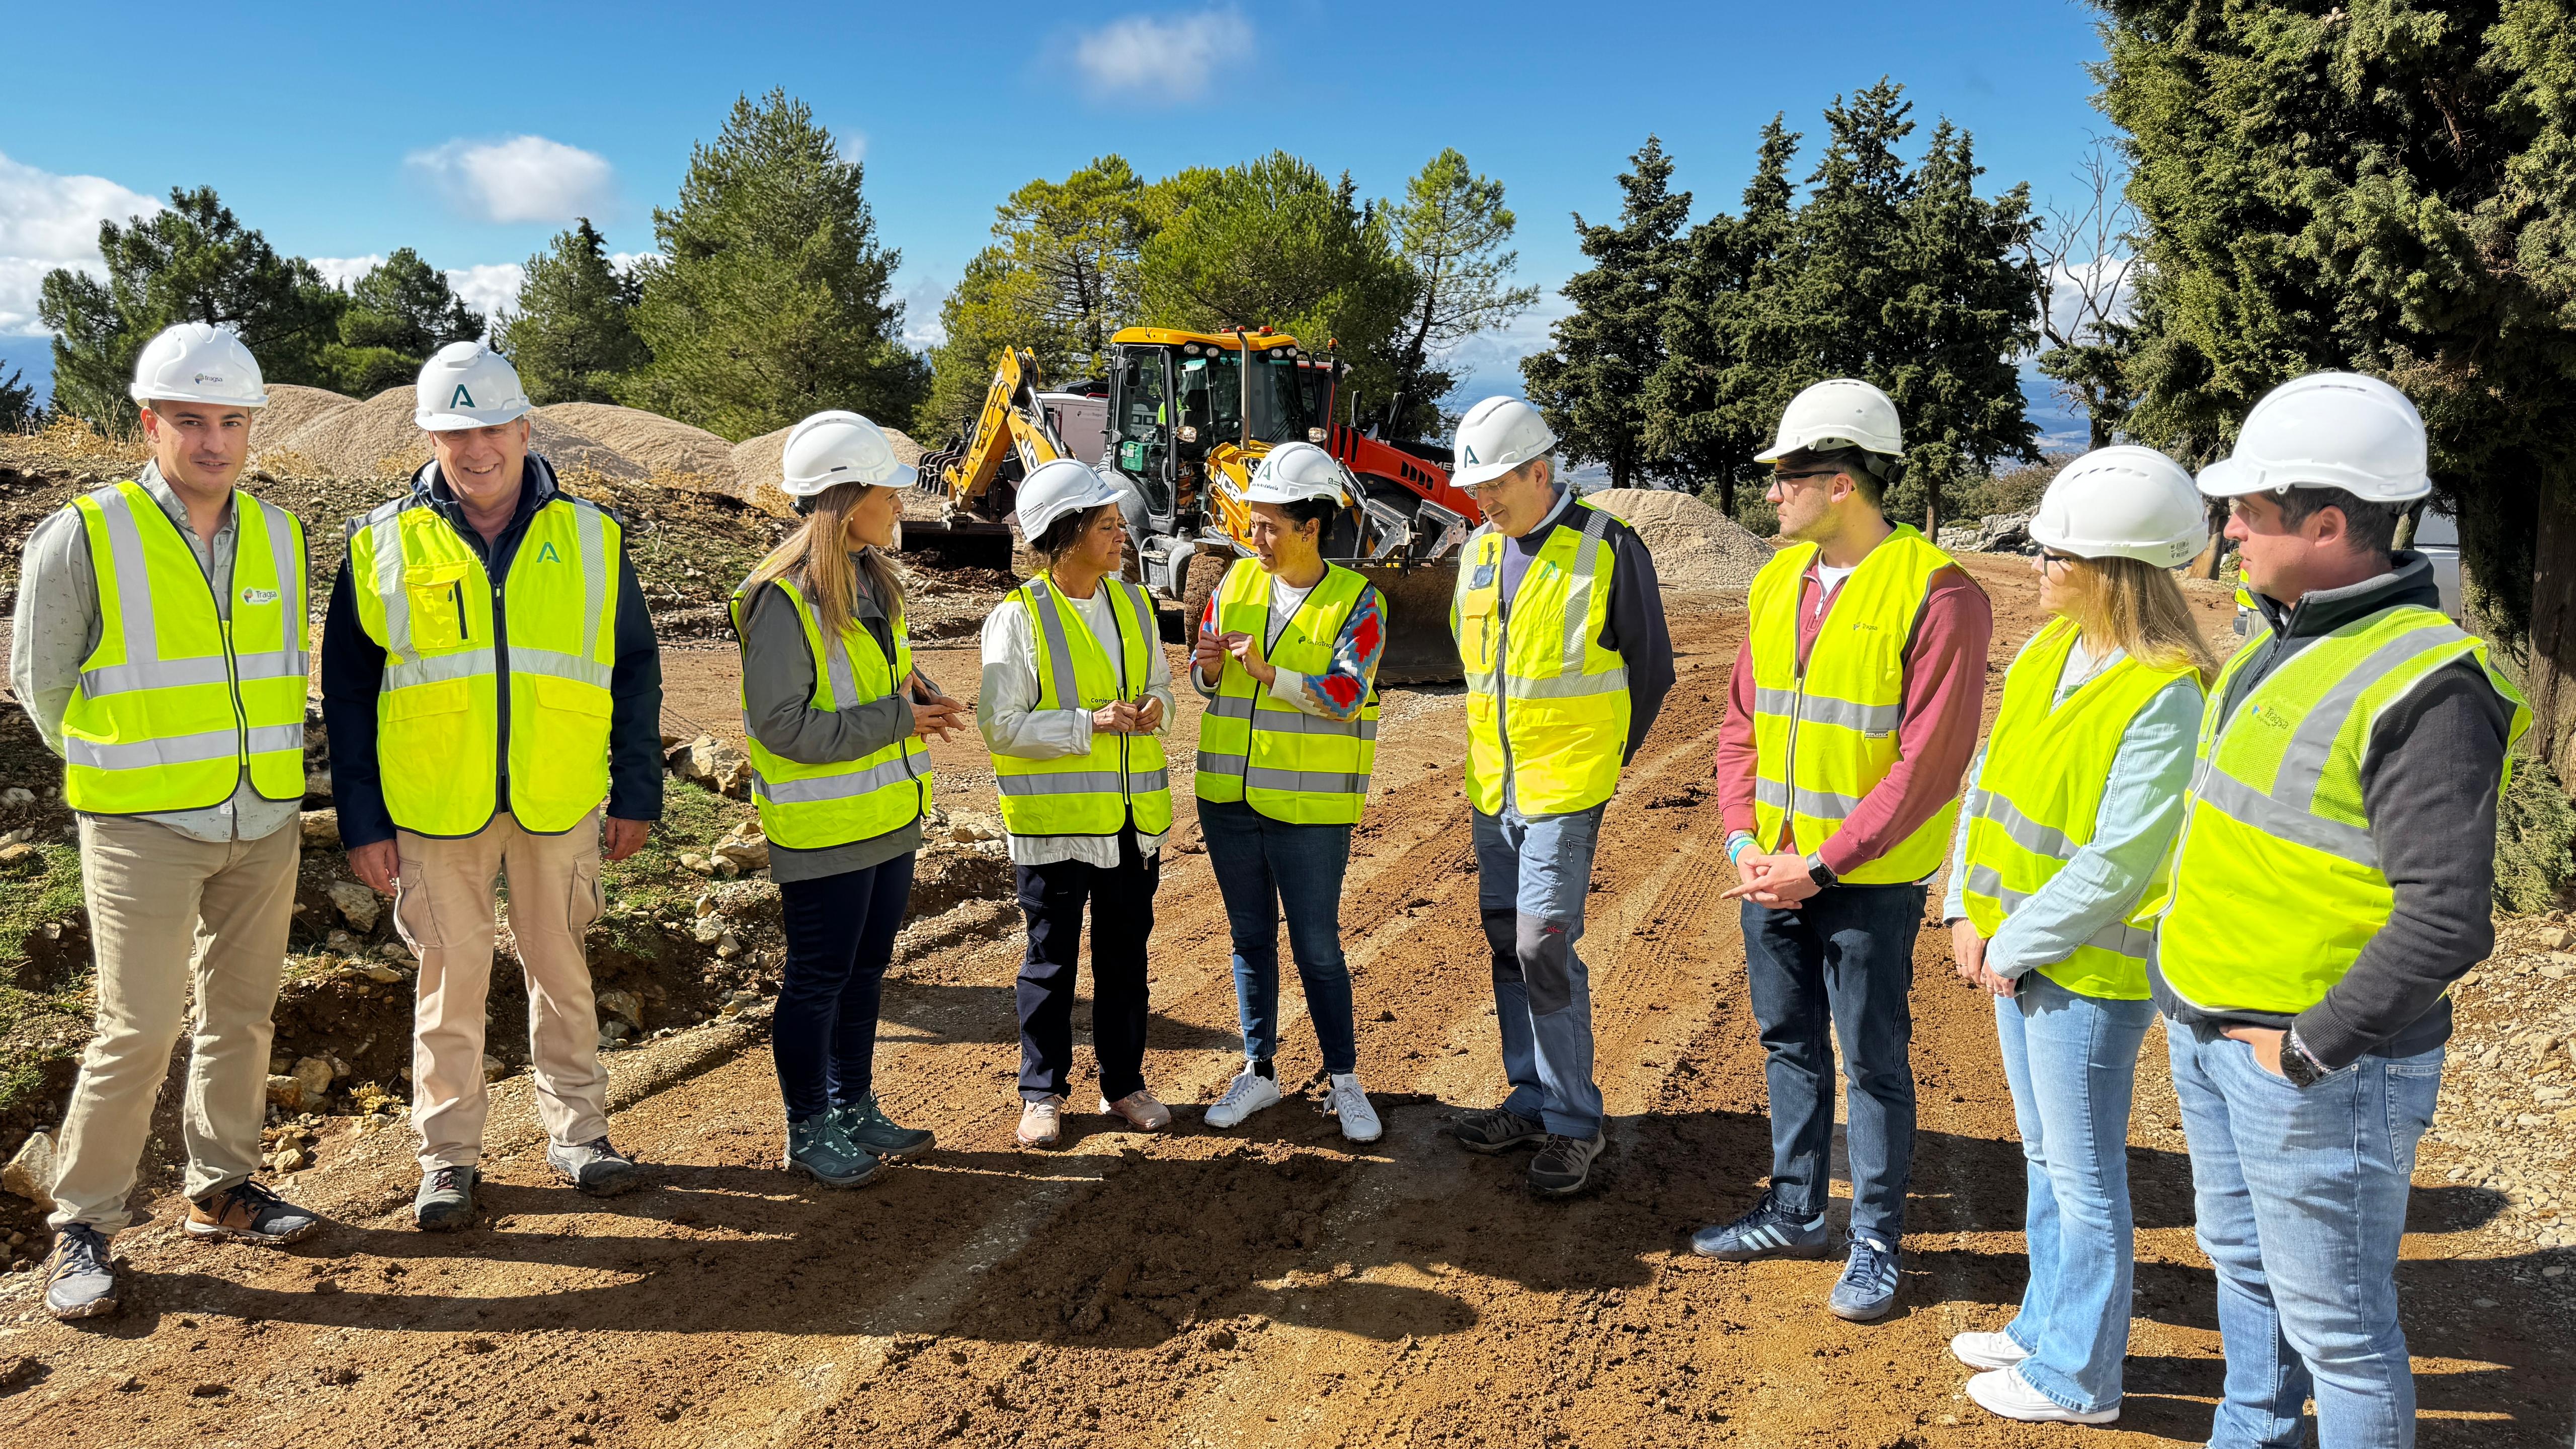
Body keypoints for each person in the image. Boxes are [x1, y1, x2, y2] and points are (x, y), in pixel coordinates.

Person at [2155, 373, 2524, 1449]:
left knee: (2342, 1333)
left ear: (2326, 526)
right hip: (2214, 1028)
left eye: (2245, 511)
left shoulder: (2426, 684)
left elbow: (2446, 917)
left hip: (2320, 1072)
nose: (2227, 531)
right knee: (2241, 1267)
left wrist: (2310, 1047)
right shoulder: (2278, 640)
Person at [13, 325, 324, 1319]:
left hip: (262, 818)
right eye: (190, 420)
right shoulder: (86, 534)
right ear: (149, 425)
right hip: (141, 824)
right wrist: (130, 765)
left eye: (231, 420)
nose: (213, 441)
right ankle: (83, 1225)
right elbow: (42, 688)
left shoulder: (279, 534)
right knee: (138, 1028)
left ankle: (220, 1189)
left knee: (242, 1016)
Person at [321, 342, 665, 1230]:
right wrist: (362, 818)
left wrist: (637, 790)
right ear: (430, 439)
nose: (475, 450)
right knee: (449, 988)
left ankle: (581, 1135)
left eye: (491, 430)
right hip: (435, 807)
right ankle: (448, 1160)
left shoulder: (593, 537)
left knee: (564, 972)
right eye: (454, 434)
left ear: (523, 430)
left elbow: (634, 670)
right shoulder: (378, 543)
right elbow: (349, 698)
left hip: (558, 797)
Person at [1698, 378, 1993, 1322]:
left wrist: (1821, 864)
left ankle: (1874, 1241)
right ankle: (1794, 1212)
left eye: (1786, 477)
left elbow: (1929, 764)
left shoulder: (1940, 594)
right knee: (1787, 1043)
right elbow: (1742, 725)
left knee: (1872, 1061)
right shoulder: (1776, 580)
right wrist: (1744, 838)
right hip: (1769, 869)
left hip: (1865, 881)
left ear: (1842, 484)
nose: (1771, 494)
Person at [1939, 448, 2216, 1424]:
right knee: (2045, 1160)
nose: (2040, 564)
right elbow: (1987, 781)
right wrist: (1963, 907)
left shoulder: (2166, 691)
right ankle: (2043, 1327)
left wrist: (2010, 943)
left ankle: (2080, 1379)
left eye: (2058, 553)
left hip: (2085, 976)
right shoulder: (2052, 650)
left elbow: (2121, 861)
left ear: (2113, 570)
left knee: (2087, 1182)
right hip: (2014, 954)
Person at [1443, 397, 1673, 1196]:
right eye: (1475, 488)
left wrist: (1603, 762)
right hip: (1493, 789)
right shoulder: (1478, 551)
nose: (1484, 500)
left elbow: (1652, 670)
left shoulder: (1610, 546)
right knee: (1508, 943)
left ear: (1540, 472)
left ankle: (1575, 1122)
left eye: (1496, 484)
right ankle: (1531, 1096)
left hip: (1566, 791)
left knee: (1543, 946)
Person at [976, 458, 1177, 1149]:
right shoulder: (1018, 619)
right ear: (1065, 536)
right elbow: (1000, 727)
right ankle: (1042, 1093)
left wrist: (1158, 707)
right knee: (1051, 964)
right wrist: (1088, 724)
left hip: (1129, 824)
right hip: (1056, 829)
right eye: (1106, 525)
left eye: (1119, 522)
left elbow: (1162, 686)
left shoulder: (1135, 604)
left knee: (1125, 964)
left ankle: (1124, 1085)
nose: (1122, 535)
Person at [1189, 442, 1387, 1142]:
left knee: (1317, 948)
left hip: (1310, 809)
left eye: (1270, 526)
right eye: (1254, 523)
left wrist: (1271, 674)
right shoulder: (1235, 583)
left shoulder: (1358, 601)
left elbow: (1347, 693)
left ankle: (1344, 1080)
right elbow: (1203, 679)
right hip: (1227, 800)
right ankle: (1260, 1070)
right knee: (1250, 940)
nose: (1256, 537)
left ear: (1311, 527)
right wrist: (1209, 668)